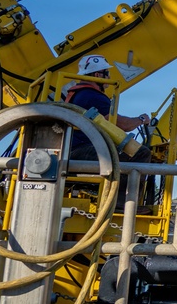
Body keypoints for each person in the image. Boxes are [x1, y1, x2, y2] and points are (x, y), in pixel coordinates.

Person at [66, 54, 154, 207]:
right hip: (83, 151)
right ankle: (122, 205)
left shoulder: (78, 94)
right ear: (98, 75)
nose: (108, 79)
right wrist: (141, 120)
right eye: (107, 73)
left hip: (73, 150)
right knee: (141, 153)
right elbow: (122, 125)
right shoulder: (93, 96)